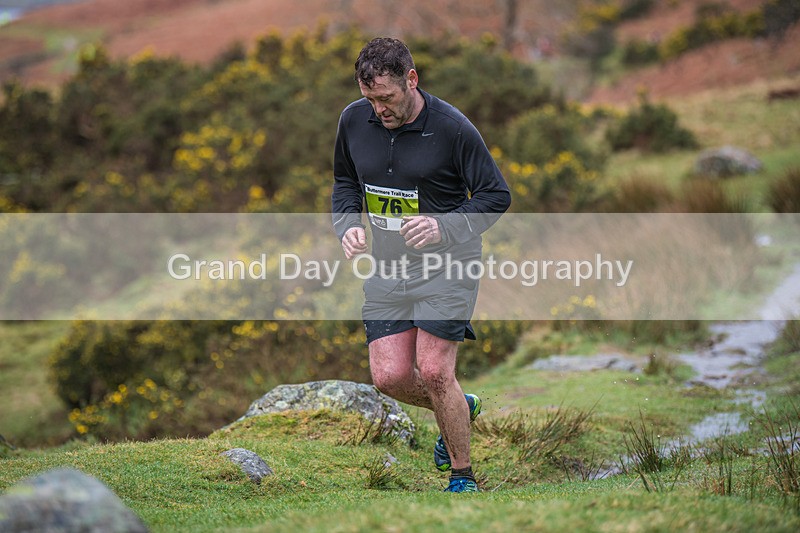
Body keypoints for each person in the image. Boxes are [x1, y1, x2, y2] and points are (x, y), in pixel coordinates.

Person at [331, 37, 511, 493]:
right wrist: (348, 224)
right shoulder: (353, 119)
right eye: (369, 98)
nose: (378, 110)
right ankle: (459, 405)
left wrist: (443, 227)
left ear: (411, 80)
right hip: (389, 269)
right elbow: (345, 182)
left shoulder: (453, 128)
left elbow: (496, 196)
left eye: (386, 98)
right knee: (389, 377)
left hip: (449, 265)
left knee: (434, 371)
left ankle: (462, 475)